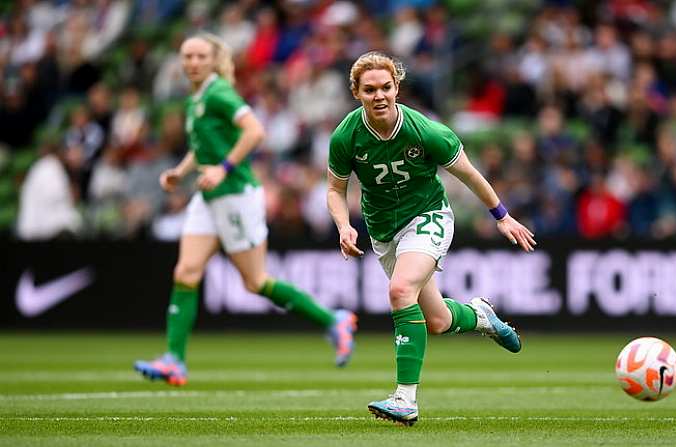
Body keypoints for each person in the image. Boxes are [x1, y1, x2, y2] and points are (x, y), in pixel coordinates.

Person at [134, 33, 357, 387]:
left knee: (256, 282)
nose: (191, 62)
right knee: (186, 273)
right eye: (186, 56)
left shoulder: (220, 92)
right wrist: (181, 171)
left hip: (236, 195)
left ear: (214, 61)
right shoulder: (196, 99)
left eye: (199, 56)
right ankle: (174, 359)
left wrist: (223, 168)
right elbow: (203, 146)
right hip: (208, 198)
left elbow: (255, 132)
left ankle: (333, 320)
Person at [327, 52, 536, 426]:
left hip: (428, 217)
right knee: (436, 320)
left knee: (399, 290)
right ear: (357, 93)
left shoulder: (425, 131)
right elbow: (334, 190)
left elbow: (469, 174)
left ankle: (405, 399)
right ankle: (481, 316)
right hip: (383, 230)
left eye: (386, 88)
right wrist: (344, 225)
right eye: (370, 89)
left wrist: (501, 217)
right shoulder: (346, 135)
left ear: (397, 88)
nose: (379, 96)